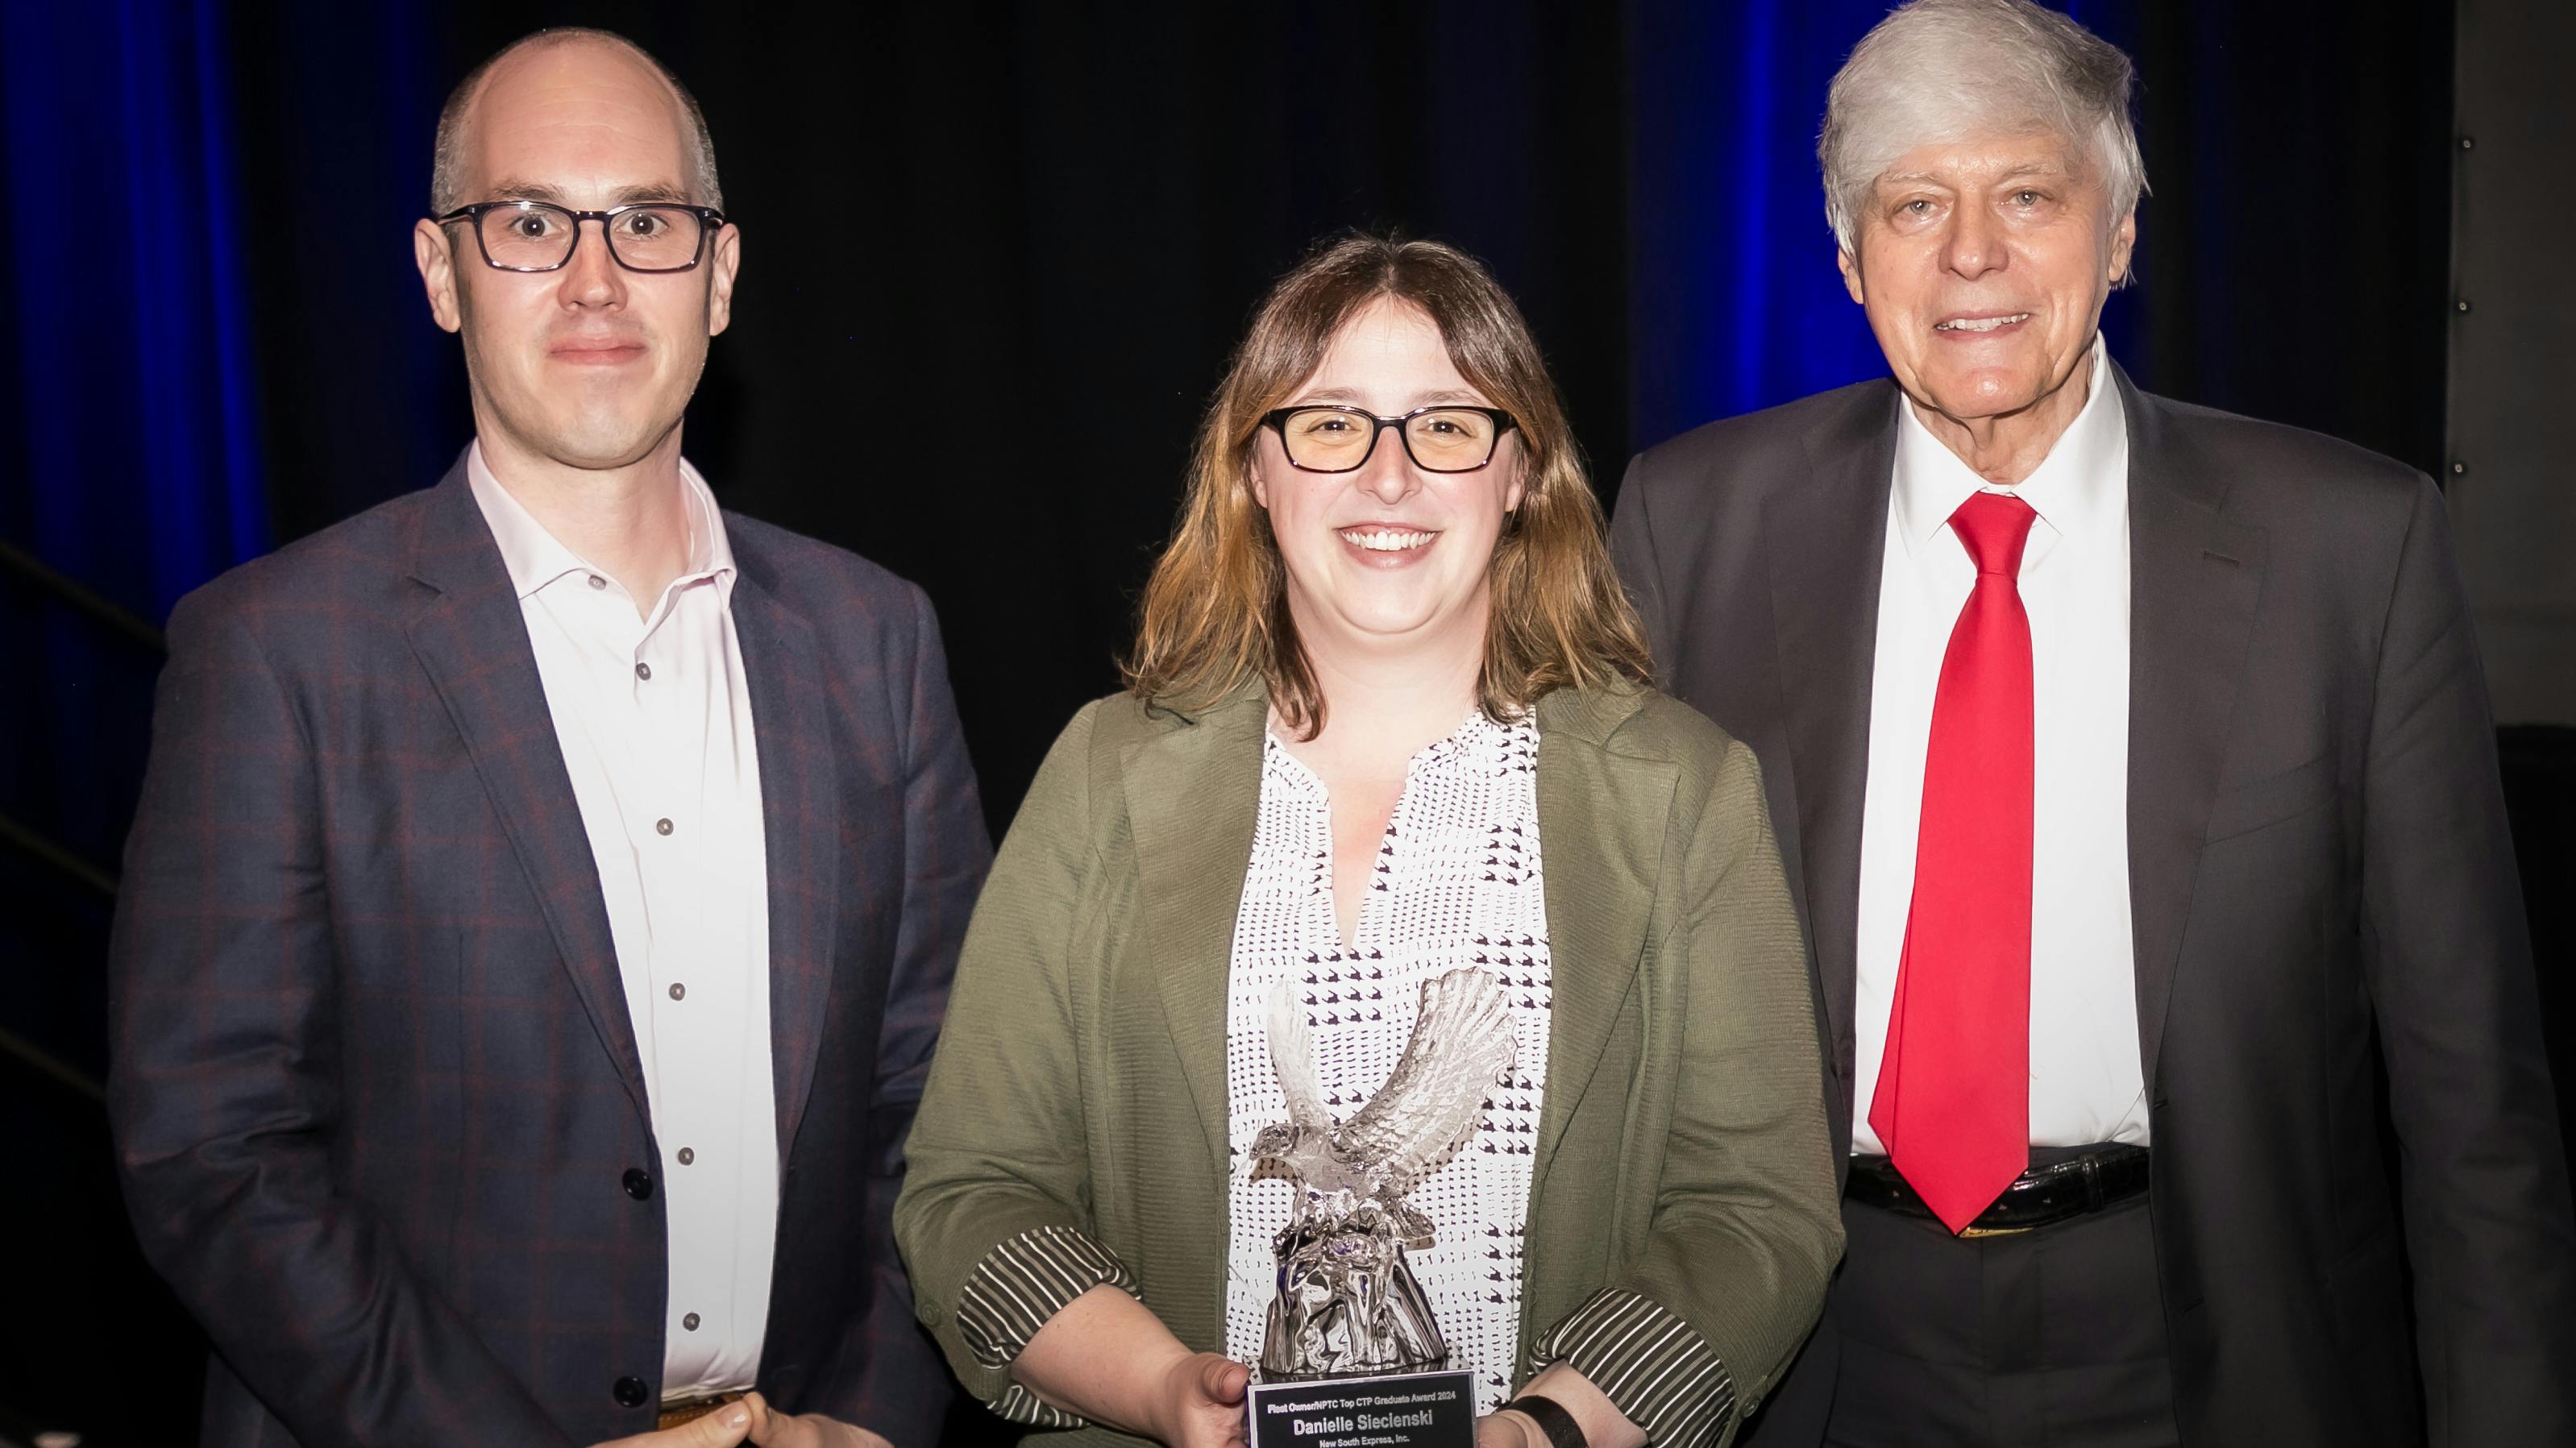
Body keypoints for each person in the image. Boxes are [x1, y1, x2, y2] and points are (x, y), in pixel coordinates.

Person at [1606, 1, 2576, 1444]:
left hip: (2215, 1350)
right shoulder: (1692, 525)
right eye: (1915, 204)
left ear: (2119, 234)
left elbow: (2470, 1103)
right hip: (1810, 1344)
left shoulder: (2347, 550)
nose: (1973, 254)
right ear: (1848, 260)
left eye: (2029, 195)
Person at [106, 28, 987, 1448]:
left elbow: (944, 1107)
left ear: (721, 273)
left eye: (646, 222)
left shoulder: (874, 639)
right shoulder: (276, 651)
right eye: (528, 223)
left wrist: (876, 1419)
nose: (594, 277)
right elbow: (212, 1149)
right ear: (443, 274)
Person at [894, 234, 1843, 1448]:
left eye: (1446, 426)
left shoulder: (1685, 791)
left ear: (1520, 475)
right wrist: (1166, 1392)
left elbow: (1753, 1215)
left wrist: (1543, 1432)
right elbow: (974, 1192)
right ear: (1256, 471)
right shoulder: (1102, 774)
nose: (1388, 478)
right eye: (1333, 425)